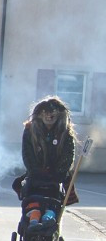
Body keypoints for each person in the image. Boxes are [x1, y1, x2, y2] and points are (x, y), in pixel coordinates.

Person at [19, 96, 76, 232]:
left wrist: (59, 173)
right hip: (35, 175)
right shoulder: (30, 130)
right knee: (32, 199)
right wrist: (35, 171)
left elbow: (68, 155)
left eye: (53, 112)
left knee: (55, 203)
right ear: (39, 114)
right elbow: (27, 154)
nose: (49, 115)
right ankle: (33, 220)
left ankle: (49, 221)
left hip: (57, 177)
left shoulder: (66, 132)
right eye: (45, 112)